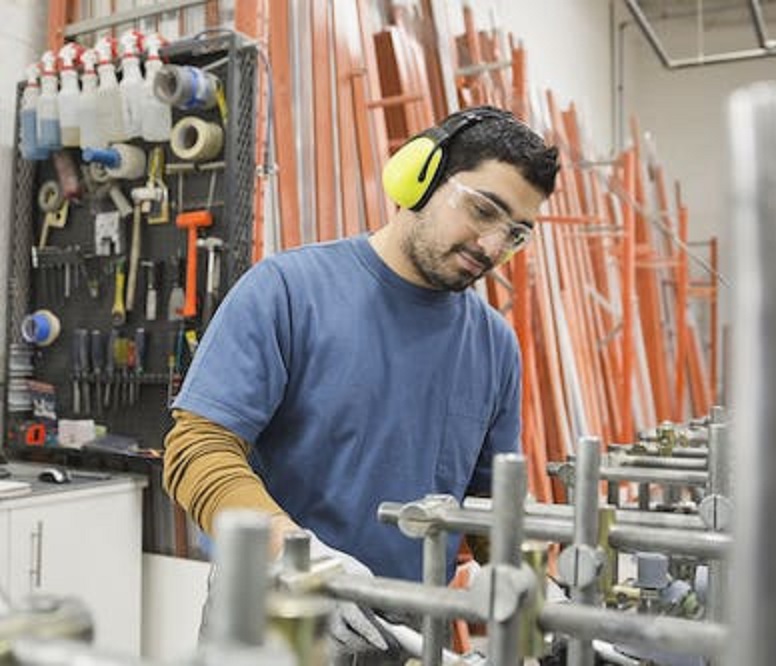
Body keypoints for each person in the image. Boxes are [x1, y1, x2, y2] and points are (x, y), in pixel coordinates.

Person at [162, 105, 560, 658]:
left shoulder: (494, 345)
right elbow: (197, 450)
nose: (492, 247)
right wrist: (294, 555)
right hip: (273, 622)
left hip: (405, 638)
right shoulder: (288, 291)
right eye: (482, 210)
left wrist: (536, 590)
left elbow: (489, 501)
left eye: (514, 233)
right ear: (419, 177)